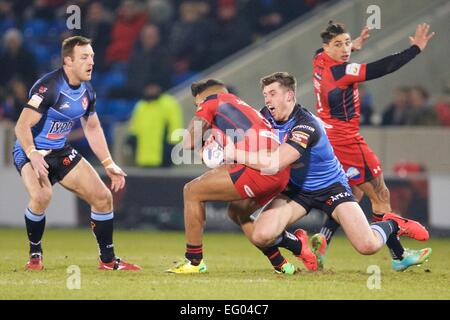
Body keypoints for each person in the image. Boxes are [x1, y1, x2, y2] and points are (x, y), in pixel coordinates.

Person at [224, 72, 430, 275]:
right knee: (261, 236)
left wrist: (234, 153)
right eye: (265, 95)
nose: (267, 99)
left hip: (332, 188)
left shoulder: (306, 124)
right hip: (297, 191)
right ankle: (298, 243)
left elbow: (276, 163)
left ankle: (394, 224)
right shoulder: (266, 116)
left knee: (367, 246)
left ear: (289, 96)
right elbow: (254, 143)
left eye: (272, 93)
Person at [310, 22, 434, 271]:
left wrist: (353, 46)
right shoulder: (342, 72)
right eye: (339, 44)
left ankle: (323, 237)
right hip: (347, 140)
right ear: (327, 47)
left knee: (352, 193)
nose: (345, 48)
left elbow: (331, 52)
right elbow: (383, 67)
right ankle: (399, 256)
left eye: (347, 42)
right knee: (381, 196)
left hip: (326, 137)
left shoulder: (319, 60)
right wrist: (415, 49)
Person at [13, 36, 140, 271]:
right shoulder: (49, 87)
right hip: (31, 150)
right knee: (42, 196)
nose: (91, 62)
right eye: (84, 57)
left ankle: (108, 260)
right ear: (68, 61)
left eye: (91, 56)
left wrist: (108, 162)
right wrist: (32, 153)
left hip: (60, 151)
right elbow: (21, 126)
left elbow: (92, 127)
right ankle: (35, 254)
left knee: (103, 198)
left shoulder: (87, 91)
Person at [165, 79, 291, 274]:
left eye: (196, 104)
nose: (198, 108)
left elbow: (189, 141)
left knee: (192, 191)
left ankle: (194, 261)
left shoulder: (212, 101)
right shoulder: (240, 108)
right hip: (279, 171)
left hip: (258, 169)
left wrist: (200, 142)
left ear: (202, 97)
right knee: (238, 211)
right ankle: (282, 264)